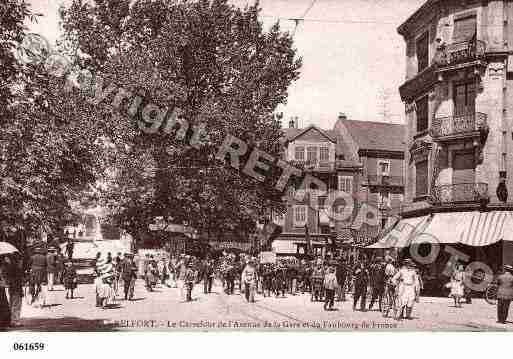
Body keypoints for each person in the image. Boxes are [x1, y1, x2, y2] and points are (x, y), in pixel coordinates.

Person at [2, 254, 24, 327]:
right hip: (16, 287)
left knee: (12, 303)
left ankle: (12, 320)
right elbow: (18, 279)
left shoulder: (7, 267)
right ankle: (15, 321)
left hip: (12, 287)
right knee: (16, 304)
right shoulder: (15, 267)